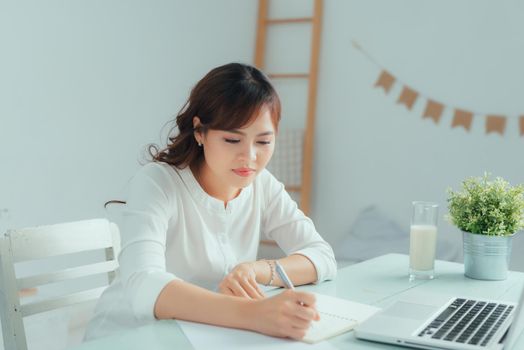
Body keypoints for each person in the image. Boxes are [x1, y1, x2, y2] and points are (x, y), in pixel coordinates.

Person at [84, 63, 337, 341]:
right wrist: (254, 314)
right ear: (199, 132)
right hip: (130, 337)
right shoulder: (157, 182)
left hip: (208, 336)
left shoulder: (262, 183)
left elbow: (322, 256)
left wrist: (257, 270)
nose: (250, 157)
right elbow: (144, 285)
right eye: (232, 139)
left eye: (263, 142)